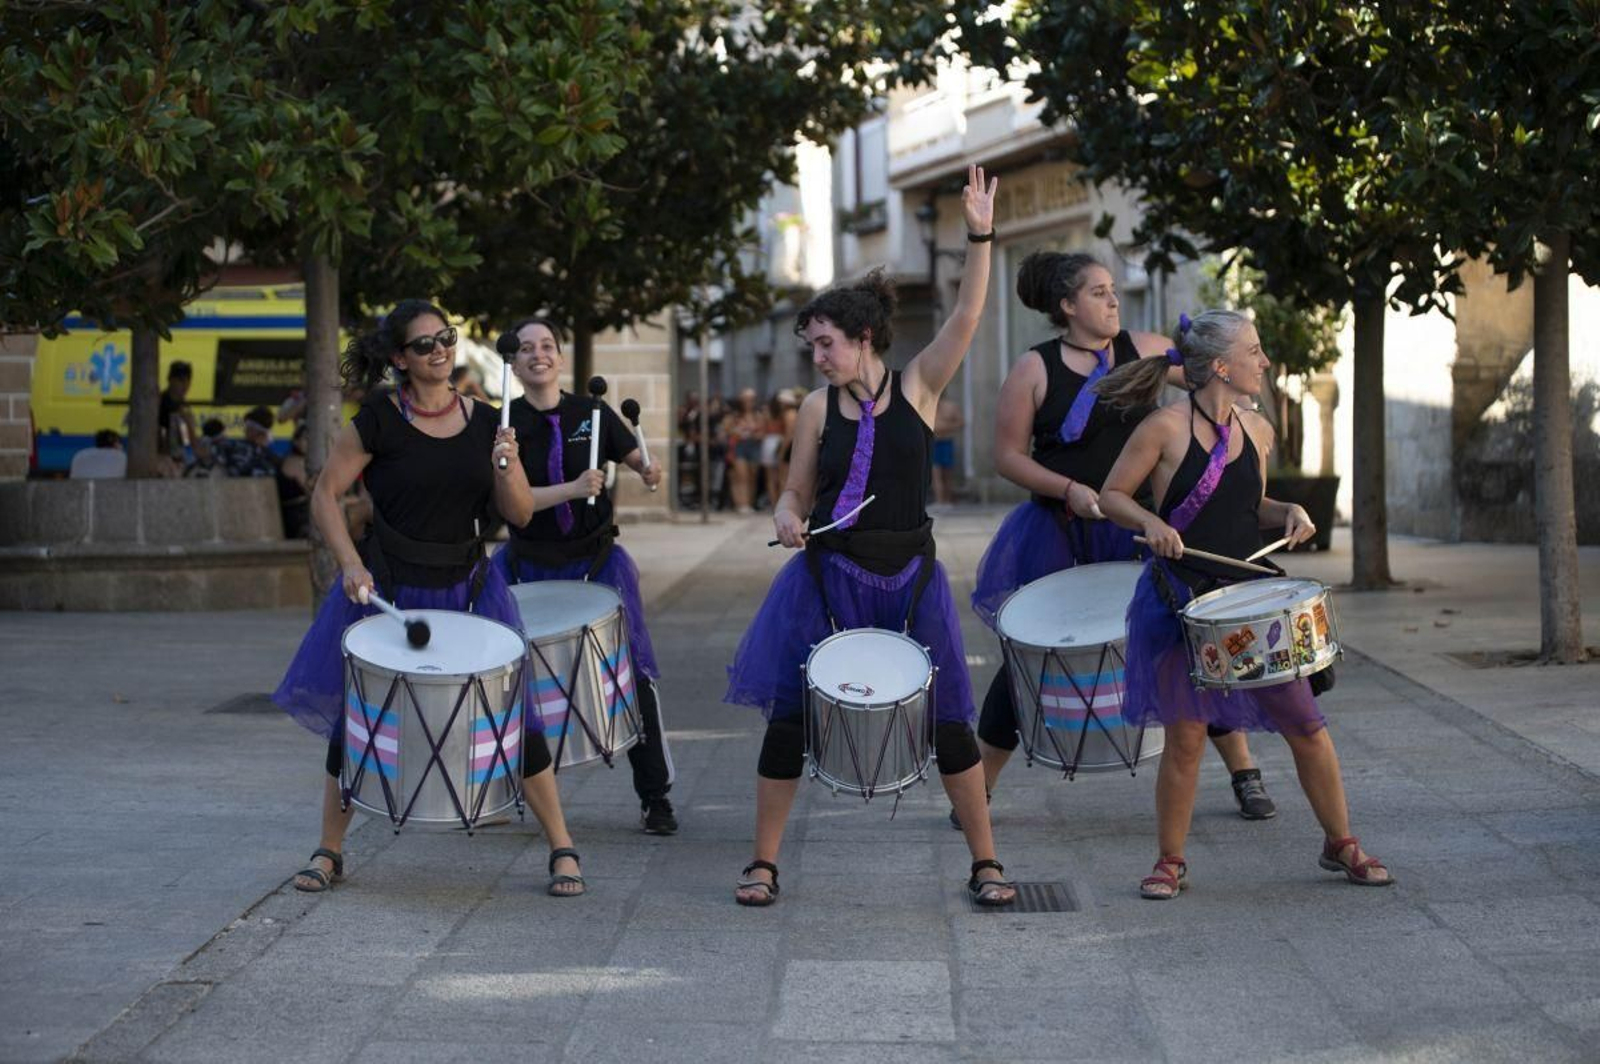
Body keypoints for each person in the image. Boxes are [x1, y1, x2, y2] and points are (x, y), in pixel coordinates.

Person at [725, 164, 1018, 908]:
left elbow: (969, 316)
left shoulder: (919, 386)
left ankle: (985, 862)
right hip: (826, 579)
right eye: (812, 346)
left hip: (910, 580)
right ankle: (763, 862)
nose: (816, 358)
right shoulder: (817, 411)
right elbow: (795, 489)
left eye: (824, 344)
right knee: (790, 721)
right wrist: (788, 515)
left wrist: (980, 232)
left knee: (949, 721)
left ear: (863, 339)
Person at [271, 299, 590, 898]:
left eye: (445, 337)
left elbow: (518, 513)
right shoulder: (379, 420)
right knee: (359, 718)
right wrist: (349, 561)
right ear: (399, 359)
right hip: (390, 587)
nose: (439, 349)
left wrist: (507, 465)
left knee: (514, 715)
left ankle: (562, 846)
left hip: (469, 587)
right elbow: (325, 494)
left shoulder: (488, 421)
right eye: (423, 344)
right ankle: (329, 849)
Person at [962, 253, 1277, 829]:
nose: (1113, 302)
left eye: (1113, 291)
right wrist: (1069, 488)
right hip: (1059, 532)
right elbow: (1006, 456)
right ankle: (979, 785)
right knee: (1024, 657)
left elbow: (1213, 379)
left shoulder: (1146, 348)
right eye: (1100, 292)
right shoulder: (1034, 368)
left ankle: (1244, 772)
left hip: (1140, 527)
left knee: (1195, 648)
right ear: (1067, 306)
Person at [1096, 309, 1394, 899]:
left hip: (1249, 606)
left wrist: (1286, 512)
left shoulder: (1257, 429)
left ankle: (1340, 842)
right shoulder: (1164, 427)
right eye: (1254, 351)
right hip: (1182, 600)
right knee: (1186, 736)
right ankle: (1171, 860)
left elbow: (1249, 504)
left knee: (1307, 726)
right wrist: (1151, 522)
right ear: (1222, 365)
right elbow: (1111, 496)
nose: (1264, 361)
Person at [487, 316, 677, 835]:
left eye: (547, 346)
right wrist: (572, 488)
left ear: (560, 357)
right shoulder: (503, 421)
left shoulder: (592, 412)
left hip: (596, 563)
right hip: (527, 565)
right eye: (526, 348)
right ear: (514, 361)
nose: (538, 355)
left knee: (634, 675)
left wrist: (647, 467)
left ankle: (655, 796)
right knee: (506, 682)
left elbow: (640, 460)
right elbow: (517, 506)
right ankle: (499, 790)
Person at [157, 361, 197, 475]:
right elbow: (160, 435)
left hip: (178, 459)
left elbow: (187, 440)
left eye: (188, 381)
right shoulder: (159, 403)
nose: (185, 386)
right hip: (162, 461)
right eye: (181, 380)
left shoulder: (184, 407)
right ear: (171, 380)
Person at [727, 388, 763, 513]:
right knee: (742, 475)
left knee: (753, 475)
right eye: (746, 399)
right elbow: (727, 429)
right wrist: (737, 432)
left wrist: (755, 434)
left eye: (751, 399)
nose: (749, 402)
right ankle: (742, 504)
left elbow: (763, 432)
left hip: (754, 445)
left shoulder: (758, 415)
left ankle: (750, 503)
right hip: (739, 445)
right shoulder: (735, 415)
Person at [930, 395, 963, 505]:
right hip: (933, 443)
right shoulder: (927, 405)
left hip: (946, 442)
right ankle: (939, 500)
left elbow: (961, 423)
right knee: (935, 473)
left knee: (947, 473)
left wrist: (945, 427)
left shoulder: (950, 407)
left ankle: (947, 500)